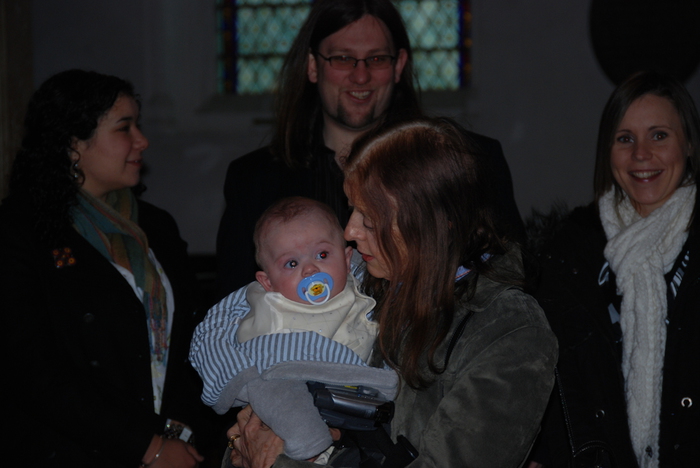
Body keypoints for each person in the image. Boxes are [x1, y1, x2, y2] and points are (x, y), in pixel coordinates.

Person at [197, 117, 558, 468]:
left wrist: (282, 463)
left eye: (369, 219)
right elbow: (251, 412)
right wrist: (243, 444)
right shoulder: (359, 278)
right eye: (352, 210)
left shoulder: (509, 332)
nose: (349, 231)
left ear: (429, 224)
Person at [215, 0, 525, 298]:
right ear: (312, 66)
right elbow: (233, 305)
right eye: (342, 58)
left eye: (377, 59)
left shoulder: (470, 163)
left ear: (399, 65)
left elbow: (506, 280)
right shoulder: (253, 179)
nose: (361, 76)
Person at [1, 69, 211, 468]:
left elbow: (195, 337)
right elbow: (32, 370)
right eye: (124, 128)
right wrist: (146, 446)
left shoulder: (157, 226)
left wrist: (178, 431)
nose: (142, 140)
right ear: (73, 143)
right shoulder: (21, 231)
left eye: (138, 125)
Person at [531, 71, 700, 467]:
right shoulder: (569, 251)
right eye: (625, 139)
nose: (641, 154)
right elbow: (552, 378)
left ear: (689, 144)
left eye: (659, 135)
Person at [191, 196, 398, 461]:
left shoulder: (361, 285)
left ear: (348, 259)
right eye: (292, 263)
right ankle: (306, 444)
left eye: (322, 255)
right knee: (278, 395)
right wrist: (239, 378)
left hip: (350, 401)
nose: (310, 269)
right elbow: (211, 332)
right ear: (267, 282)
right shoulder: (264, 302)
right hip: (281, 373)